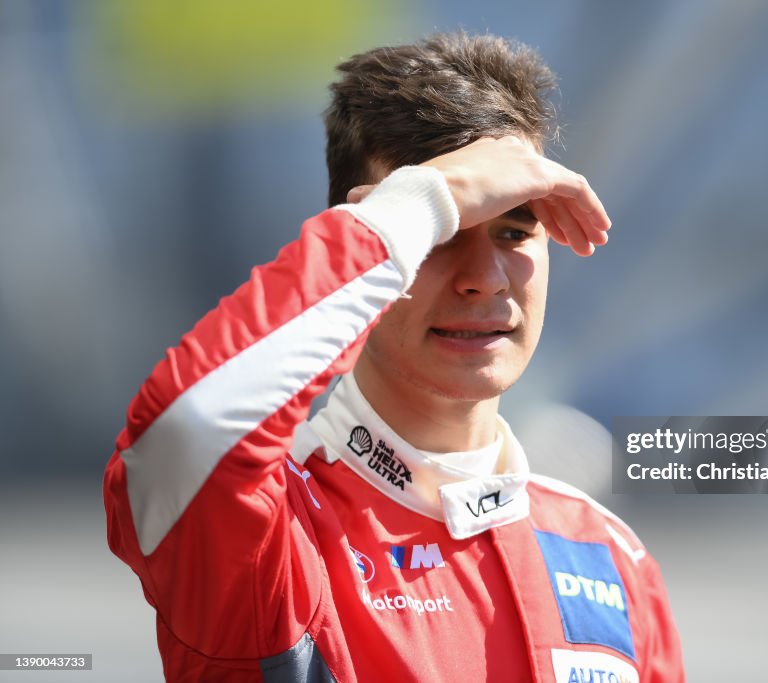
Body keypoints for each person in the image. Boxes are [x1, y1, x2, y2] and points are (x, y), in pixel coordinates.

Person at [104, 32, 684, 682]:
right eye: (444, 234)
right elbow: (189, 426)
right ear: (374, 241)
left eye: (516, 230)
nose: (486, 277)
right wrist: (411, 212)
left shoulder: (609, 554)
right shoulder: (264, 526)